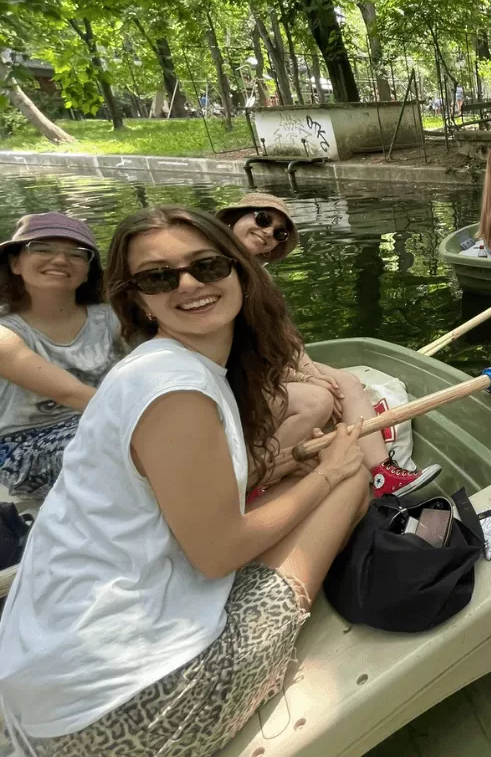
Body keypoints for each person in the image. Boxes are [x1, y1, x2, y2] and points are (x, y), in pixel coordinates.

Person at [0, 206, 371, 754]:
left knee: (303, 478)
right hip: (128, 712)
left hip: (42, 685)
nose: (190, 285)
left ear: (240, 270)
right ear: (138, 300)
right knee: (351, 480)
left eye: (207, 266)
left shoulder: (155, 366)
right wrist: (331, 474)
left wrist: (282, 466)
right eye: (159, 277)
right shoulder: (176, 390)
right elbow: (219, 554)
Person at [217, 194, 438, 497]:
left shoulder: (259, 277)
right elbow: (243, 353)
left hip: (262, 364)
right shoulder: (214, 270)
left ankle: (382, 473)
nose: (268, 232)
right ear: (235, 217)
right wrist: (304, 378)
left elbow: (285, 340)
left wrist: (309, 370)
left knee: (345, 382)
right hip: (236, 375)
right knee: (318, 400)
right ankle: (253, 477)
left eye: (279, 232)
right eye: (262, 219)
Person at [0, 213, 124, 499]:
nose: (60, 260)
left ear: (87, 271)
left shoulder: (110, 318)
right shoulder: (6, 332)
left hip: (104, 424)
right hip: (26, 444)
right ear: (15, 263)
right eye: (42, 249)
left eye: (77, 254)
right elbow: (71, 393)